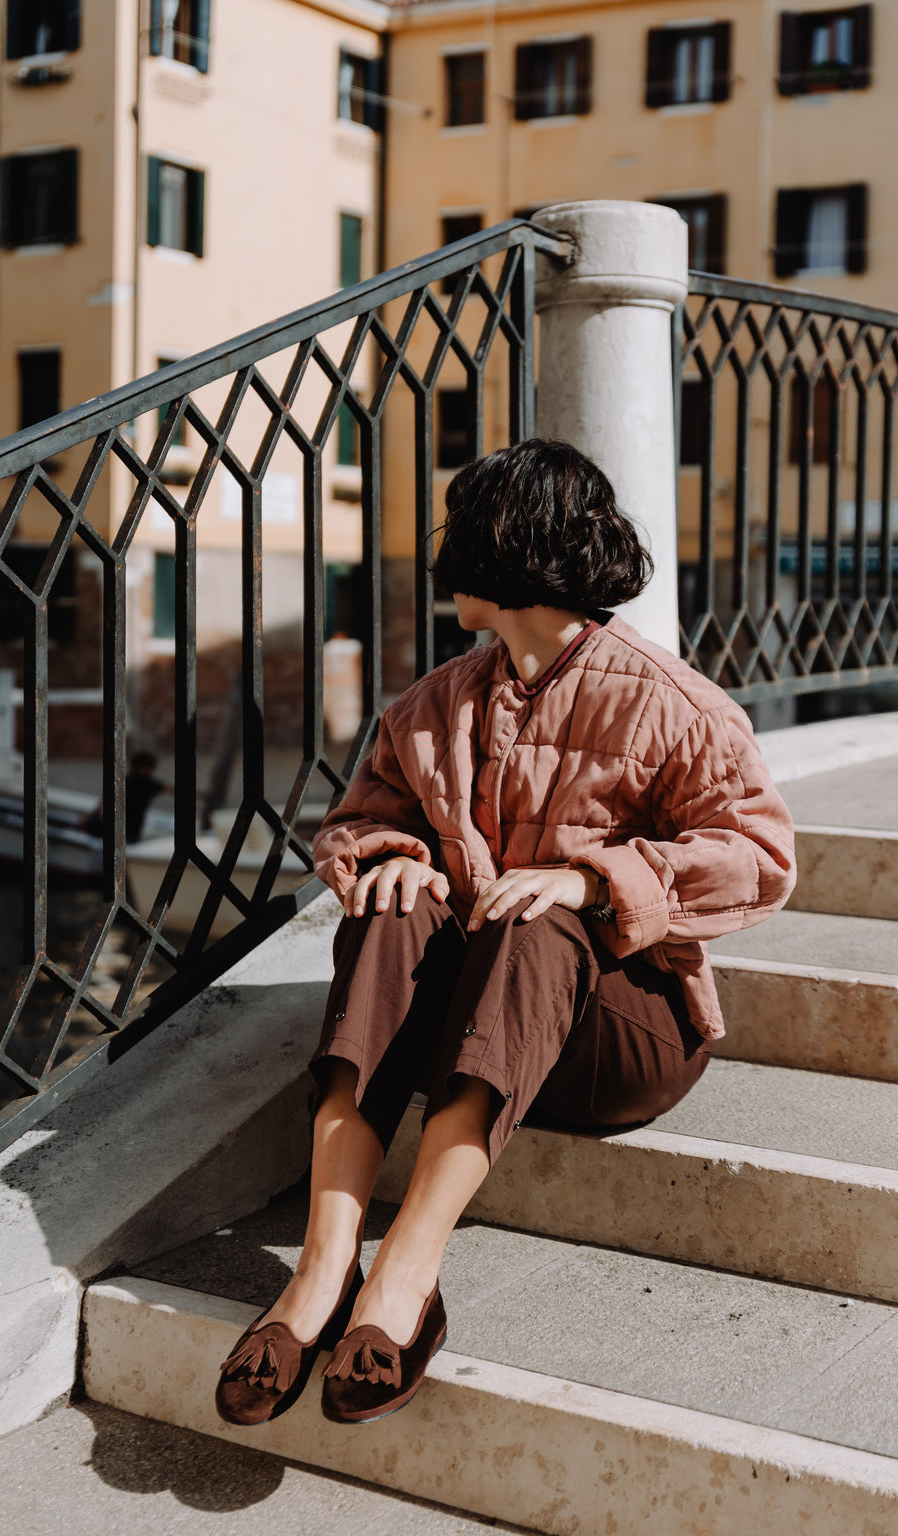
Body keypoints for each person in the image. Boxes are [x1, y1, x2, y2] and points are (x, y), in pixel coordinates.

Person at [215, 438, 796, 1428]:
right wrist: (389, 851)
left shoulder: (671, 703)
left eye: (461, 528)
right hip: (478, 1032)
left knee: (544, 915)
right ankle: (318, 1276)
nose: (445, 553)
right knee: (396, 901)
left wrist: (587, 878)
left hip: (623, 1043)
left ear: (506, 548)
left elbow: (760, 856)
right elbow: (360, 820)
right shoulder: (435, 703)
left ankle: (405, 1273)